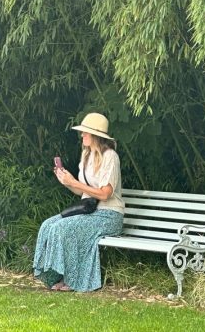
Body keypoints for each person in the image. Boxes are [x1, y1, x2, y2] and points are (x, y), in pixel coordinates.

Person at [32, 112, 125, 292]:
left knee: (63, 228)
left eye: (86, 132)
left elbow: (105, 194)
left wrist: (75, 182)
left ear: (96, 135)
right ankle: (56, 276)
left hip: (109, 215)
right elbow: (81, 190)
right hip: (89, 211)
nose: (82, 135)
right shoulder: (86, 156)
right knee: (47, 225)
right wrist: (67, 182)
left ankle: (72, 280)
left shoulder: (110, 157)